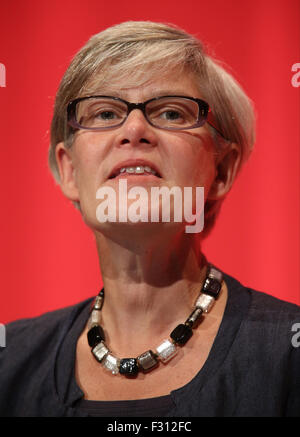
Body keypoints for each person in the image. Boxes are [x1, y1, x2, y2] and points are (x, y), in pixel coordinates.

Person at [0, 21, 299, 418]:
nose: (135, 129)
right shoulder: (10, 362)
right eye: (105, 112)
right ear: (70, 171)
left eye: (171, 112)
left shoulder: (286, 356)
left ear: (221, 170)